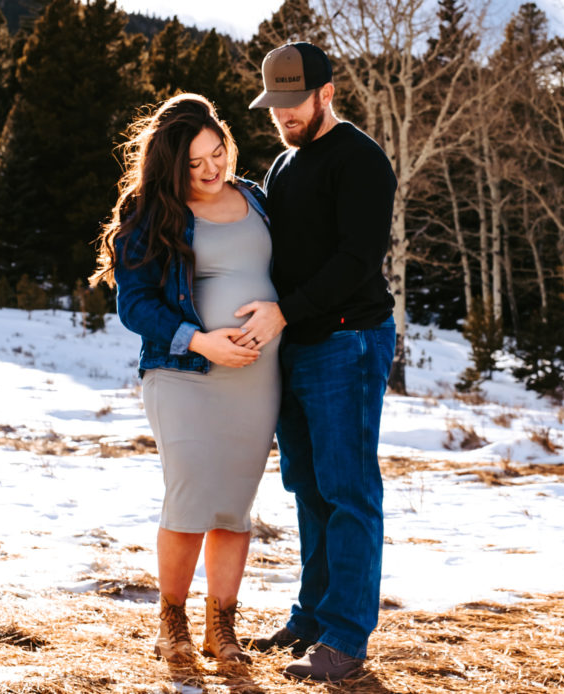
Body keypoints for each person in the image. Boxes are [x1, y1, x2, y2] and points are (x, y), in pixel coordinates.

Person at [90, 93, 279, 666]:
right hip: (184, 372)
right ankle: (171, 623)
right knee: (192, 492)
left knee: (234, 505)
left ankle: (221, 629)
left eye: (217, 153)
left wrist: (281, 311)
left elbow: (289, 271)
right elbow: (136, 306)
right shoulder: (154, 214)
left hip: (256, 377)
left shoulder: (257, 199)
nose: (211, 170)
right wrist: (202, 341)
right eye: (195, 164)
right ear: (172, 167)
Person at [235, 42, 397, 683]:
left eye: (293, 102)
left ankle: (346, 639)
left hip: (346, 342)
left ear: (326, 93)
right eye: (273, 104)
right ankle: (311, 618)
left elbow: (356, 261)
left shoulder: (360, 161)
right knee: (307, 488)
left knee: (348, 490)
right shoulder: (283, 162)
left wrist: (286, 310)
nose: (283, 115)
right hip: (297, 346)